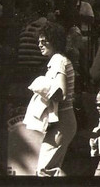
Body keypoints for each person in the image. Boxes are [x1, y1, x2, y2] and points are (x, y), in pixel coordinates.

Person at [34, 21, 78, 176]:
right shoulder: (59, 59)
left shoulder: (58, 60)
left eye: (44, 41)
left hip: (62, 120)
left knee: (45, 170)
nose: (40, 44)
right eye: (39, 41)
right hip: (63, 120)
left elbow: (61, 93)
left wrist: (40, 85)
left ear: (55, 41)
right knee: (50, 169)